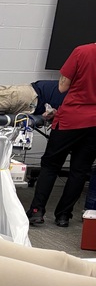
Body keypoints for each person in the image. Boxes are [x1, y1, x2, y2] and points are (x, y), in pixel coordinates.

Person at [26, 43, 96, 227]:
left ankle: (36, 212)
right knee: (80, 170)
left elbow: (62, 87)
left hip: (71, 119)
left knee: (50, 165)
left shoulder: (82, 52)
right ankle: (64, 216)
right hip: (95, 124)